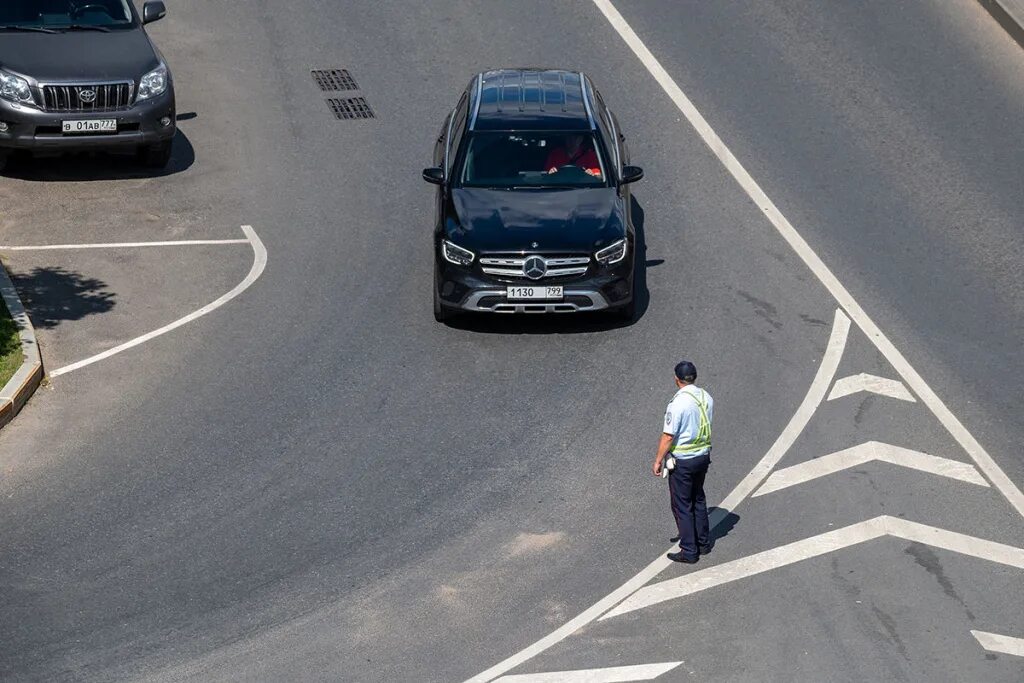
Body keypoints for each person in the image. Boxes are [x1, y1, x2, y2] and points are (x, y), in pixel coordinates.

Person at [652, 360, 714, 564]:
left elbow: (668, 436)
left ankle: (689, 550)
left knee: (682, 505)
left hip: (684, 460)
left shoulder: (678, 402)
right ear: (694, 377)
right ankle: (703, 543)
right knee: (698, 498)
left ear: (676, 379)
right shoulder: (706, 397)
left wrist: (658, 460)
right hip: (703, 457)